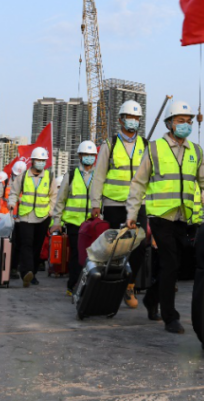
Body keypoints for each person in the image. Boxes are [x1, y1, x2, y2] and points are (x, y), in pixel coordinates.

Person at [126, 99, 204, 334]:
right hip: (160, 215)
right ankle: (170, 317)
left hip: (184, 217)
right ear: (170, 123)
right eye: (181, 121)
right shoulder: (154, 148)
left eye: (189, 121)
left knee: (177, 265)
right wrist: (132, 213)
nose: (186, 125)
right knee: (170, 263)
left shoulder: (195, 151)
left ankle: (151, 298)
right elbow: (139, 183)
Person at [89, 100, 151, 310]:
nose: (133, 121)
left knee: (141, 244)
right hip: (114, 203)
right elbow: (98, 176)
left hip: (138, 204)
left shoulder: (145, 145)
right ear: (121, 119)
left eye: (136, 118)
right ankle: (109, 285)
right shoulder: (110, 145)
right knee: (115, 247)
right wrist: (96, 203)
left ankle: (129, 285)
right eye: (130, 117)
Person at [0, 147, 58, 287]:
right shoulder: (23, 176)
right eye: (38, 160)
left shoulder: (50, 177)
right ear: (32, 160)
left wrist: (51, 212)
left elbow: (54, 197)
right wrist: (12, 203)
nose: (40, 163)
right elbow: (14, 192)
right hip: (25, 217)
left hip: (43, 217)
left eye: (43, 161)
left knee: (37, 247)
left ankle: (32, 274)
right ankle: (26, 272)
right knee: (27, 244)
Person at [50, 140, 99, 296]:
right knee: (77, 256)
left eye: (92, 155)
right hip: (74, 223)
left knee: (94, 256)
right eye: (86, 154)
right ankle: (74, 286)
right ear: (80, 156)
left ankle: (91, 286)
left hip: (93, 224)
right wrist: (56, 222)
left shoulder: (99, 176)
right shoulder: (71, 175)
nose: (89, 158)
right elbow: (60, 200)